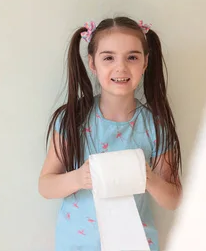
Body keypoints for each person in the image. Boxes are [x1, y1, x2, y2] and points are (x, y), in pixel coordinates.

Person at [38, 17, 182, 251]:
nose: (121, 67)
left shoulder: (155, 126)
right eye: (108, 58)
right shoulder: (72, 121)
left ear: (145, 63)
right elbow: (45, 185)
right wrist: (78, 178)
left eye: (132, 57)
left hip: (134, 243)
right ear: (92, 64)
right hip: (77, 244)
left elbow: (174, 198)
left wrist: (150, 179)